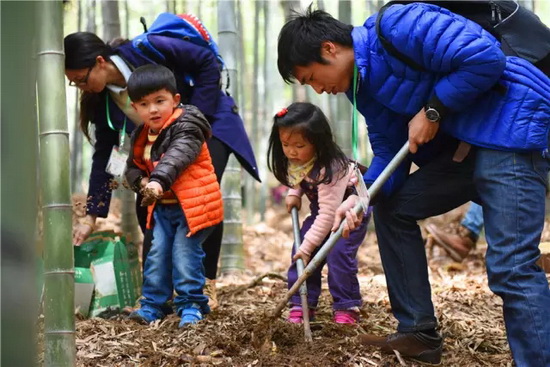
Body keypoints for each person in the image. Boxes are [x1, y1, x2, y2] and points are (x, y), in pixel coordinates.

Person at [277, 4, 550, 366]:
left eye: (311, 77)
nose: (317, 90)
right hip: (464, 151)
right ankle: (418, 332)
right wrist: (359, 197)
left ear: (329, 49)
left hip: (510, 126)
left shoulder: (398, 25)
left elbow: (484, 58)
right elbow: (391, 148)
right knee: (392, 209)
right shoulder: (359, 87)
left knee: (510, 265)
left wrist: (433, 110)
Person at [65, 31, 260, 309]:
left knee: (200, 197)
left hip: (208, 127)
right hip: (156, 150)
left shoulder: (149, 48)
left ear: (99, 62)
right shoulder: (103, 103)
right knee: (147, 208)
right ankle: (162, 288)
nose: (80, 87)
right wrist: (92, 215)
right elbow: (106, 157)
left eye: (81, 79)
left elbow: (206, 61)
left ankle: (204, 285)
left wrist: (191, 119)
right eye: (74, 84)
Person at [123, 64, 222, 327]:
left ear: (175, 100)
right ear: (135, 108)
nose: (153, 109)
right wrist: (141, 182)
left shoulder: (187, 125)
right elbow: (132, 168)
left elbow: (177, 156)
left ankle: (191, 305)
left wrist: (156, 182)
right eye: (144, 104)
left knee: (184, 254)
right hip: (163, 209)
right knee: (157, 255)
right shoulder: (141, 135)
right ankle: (154, 304)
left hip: (194, 206)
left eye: (159, 101)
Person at [267, 102, 370, 325]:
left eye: (299, 145)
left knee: (337, 253)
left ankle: (346, 304)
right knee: (301, 248)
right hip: (322, 210)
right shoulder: (297, 159)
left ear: (318, 143)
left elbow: (328, 216)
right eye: (285, 144)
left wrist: (307, 249)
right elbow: (299, 176)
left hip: (351, 209)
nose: (291, 151)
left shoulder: (331, 168)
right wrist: (294, 193)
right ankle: (302, 302)